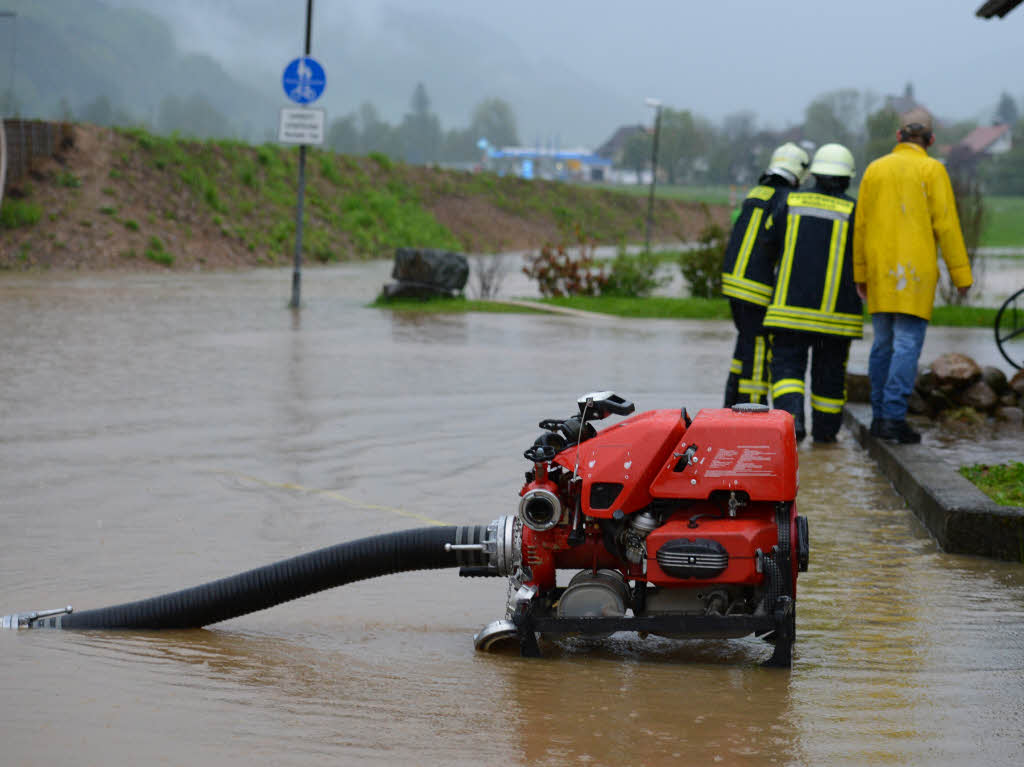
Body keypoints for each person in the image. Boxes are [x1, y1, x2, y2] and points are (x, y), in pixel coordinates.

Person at [853, 107, 972, 444]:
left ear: (898, 136)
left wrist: (860, 273)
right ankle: (893, 418)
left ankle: (879, 417)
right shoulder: (931, 169)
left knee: (883, 345)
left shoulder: (875, 170)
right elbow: (946, 226)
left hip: (879, 273)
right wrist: (961, 276)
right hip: (915, 276)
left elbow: (860, 226)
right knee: (906, 344)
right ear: (931, 140)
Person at [760, 143, 863, 443]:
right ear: (847, 179)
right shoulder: (855, 211)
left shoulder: (790, 202)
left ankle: (792, 427)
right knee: (829, 379)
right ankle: (826, 440)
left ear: (814, 174)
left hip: (789, 314)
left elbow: (768, 244)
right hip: (837, 319)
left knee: (787, 370)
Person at [720, 143, 810, 407]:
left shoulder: (757, 192)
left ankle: (731, 403)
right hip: (756, 287)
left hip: (734, 283)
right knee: (759, 349)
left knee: (745, 345)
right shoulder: (784, 198)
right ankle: (752, 409)